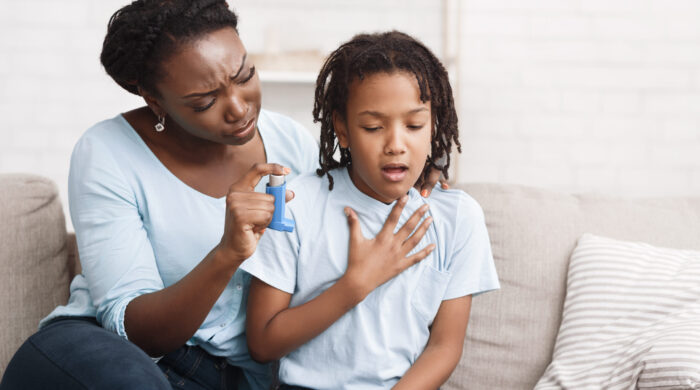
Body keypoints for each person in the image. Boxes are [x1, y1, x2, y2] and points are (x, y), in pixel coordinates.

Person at [0, 2, 446, 390]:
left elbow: (354, 201)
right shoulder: (108, 153)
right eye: (203, 100)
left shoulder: (290, 144)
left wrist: (415, 177)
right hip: (108, 354)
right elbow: (134, 332)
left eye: (245, 75)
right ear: (155, 101)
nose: (238, 107)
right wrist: (227, 252)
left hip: (234, 376)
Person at [241, 31, 501, 389]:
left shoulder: (457, 218)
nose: (396, 145)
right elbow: (262, 343)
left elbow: (445, 346)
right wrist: (356, 285)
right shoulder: (296, 205)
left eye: (414, 125)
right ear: (343, 130)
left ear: (434, 125)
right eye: (373, 127)